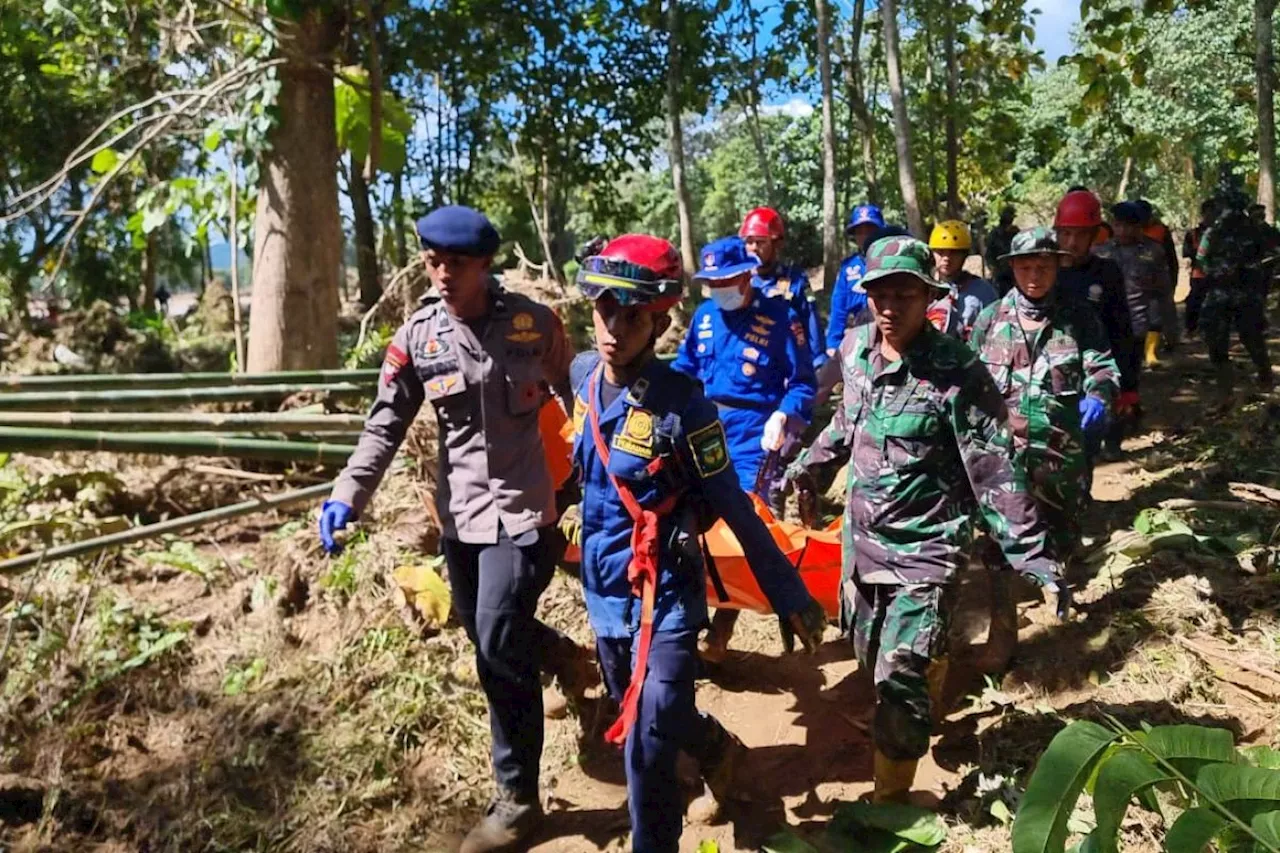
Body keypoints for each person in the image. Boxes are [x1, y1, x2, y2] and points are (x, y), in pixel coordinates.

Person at [319, 206, 588, 853]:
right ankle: (565, 659)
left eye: (456, 264)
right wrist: (347, 494)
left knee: (495, 638)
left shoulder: (533, 323)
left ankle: (518, 800)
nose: (441, 274)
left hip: (527, 513)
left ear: (485, 263)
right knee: (487, 630)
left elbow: (575, 394)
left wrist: (596, 475)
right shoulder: (418, 338)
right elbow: (385, 423)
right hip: (461, 517)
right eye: (433, 262)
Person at [560, 233, 827, 852]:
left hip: (669, 592)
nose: (615, 329)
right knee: (653, 715)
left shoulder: (686, 408)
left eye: (633, 316)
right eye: (604, 310)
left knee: (649, 740)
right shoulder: (578, 379)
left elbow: (734, 506)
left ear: (659, 320)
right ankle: (717, 751)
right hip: (605, 591)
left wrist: (789, 595)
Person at [784, 235, 1066, 804]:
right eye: (879, 296)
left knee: (898, 678)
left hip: (928, 552)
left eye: (904, 296)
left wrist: (1034, 554)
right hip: (863, 548)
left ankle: (891, 800)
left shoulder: (955, 369)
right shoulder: (857, 348)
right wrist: (808, 468)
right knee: (870, 655)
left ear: (928, 297)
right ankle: (925, 672)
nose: (889, 308)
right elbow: (846, 423)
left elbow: (993, 466)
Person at [968, 227, 1118, 672]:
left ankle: (1061, 627)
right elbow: (966, 382)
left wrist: (1100, 395)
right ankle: (1003, 634)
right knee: (998, 544)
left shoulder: (1079, 319)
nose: (1035, 275)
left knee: (1061, 538)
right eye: (1026, 266)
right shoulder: (989, 320)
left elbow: (1103, 367)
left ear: (1057, 267)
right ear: (1012, 268)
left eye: (1044, 266)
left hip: (1060, 456)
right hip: (1002, 458)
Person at [671, 236, 817, 663]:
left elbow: (804, 382)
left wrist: (784, 415)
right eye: (712, 282)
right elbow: (685, 370)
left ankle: (731, 628)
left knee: (748, 522)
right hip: (704, 426)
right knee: (697, 525)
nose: (721, 288)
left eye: (728, 279)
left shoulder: (781, 317)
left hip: (756, 431)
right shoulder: (702, 317)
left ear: (747, 274)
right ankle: (699, 618)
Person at [1054, 189, 1138, 461]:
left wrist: (1128, 387)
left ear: (1093, 235)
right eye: (1066, 233)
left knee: (1088, 445)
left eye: (1080, 234)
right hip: (1053, 374)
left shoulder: (1106, 273)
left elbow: (1122, 331)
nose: (1072, 242)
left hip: (1096, 372)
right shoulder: (1043, 270)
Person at [1196, 191, 1276, 402]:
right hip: (1220, 293)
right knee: (1216, 339)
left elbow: (1271, 255)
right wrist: (1215, 273)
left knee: (1252, 336)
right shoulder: (1213, 232)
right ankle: (1225, 390)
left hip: (1246, 293)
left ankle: (1265, 376)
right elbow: (1201, 259)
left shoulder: (1256, 231)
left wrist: (1253, 270)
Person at [741, 206, 826, 369]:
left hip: (791, 367)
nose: (753, 248)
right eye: (749, 242)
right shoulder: (741, 282)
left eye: (759, 242)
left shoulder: (796, 280)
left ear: (776, 244)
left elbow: (811, 323)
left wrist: (818, 364)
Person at [1094, 201, 1172, 369]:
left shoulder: (1153, 251)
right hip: (1106, 323)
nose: (1122, 231)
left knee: (1130, 373)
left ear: (1139, 226)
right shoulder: (1100, 251)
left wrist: (1168, 327)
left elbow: (1162, 291)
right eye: (1118, 225)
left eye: (1128, 226)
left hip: (1136, 324)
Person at [826, 204, 884, 358]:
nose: (865, 236)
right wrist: (833, 344)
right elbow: (838, 307)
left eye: (870, 230)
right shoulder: (848, 267)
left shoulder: (893, 262)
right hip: (859, 335)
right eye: (860, 232)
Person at [928, 219, 997, 341]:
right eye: (940, 252)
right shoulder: (922, 289)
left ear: (965, 255)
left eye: (954, 253)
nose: (946, 258)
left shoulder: (983, 292)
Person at [1134, 199, 1181, 352]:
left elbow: (1171, 257)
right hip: (1136, 280)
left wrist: (1173, 280)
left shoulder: (1160, 230)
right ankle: (1147, 349)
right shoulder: (1129, 231)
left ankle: (1171, 342)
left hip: (1159, 278)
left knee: (1165, 312)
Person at [1184, 199, 1219, 336]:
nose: (1212, 216)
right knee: (1194, 301)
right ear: (1203, 214)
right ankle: (1191, 328)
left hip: (1217, 273)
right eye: (1209, 213)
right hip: (1199, 274)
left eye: (1215, 213)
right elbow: (1187, 253)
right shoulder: (1194, 233)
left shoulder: (1221, 233)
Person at [985, 205, 1019, 295]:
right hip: (999, 272)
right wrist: (993, 268)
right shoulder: (995, 233)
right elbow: (989, 253)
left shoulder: (1015, 232)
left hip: (1013, 272)